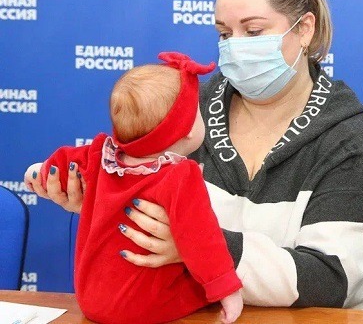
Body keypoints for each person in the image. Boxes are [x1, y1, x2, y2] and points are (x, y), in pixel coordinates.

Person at [30, 0, 363, 310]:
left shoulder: (349, 142)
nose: (235, 45)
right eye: (224, 33)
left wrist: (197, 246)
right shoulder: (186, 116)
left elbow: (330, 280)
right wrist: (104, 201)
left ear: (304, 29)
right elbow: (142, 208)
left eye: (253, 31)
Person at [24, 52, 243, 324]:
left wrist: (40, 171)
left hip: (90, 300)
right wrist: (226, 288)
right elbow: (202, 237)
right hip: (141, 307)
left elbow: (64, 162)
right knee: (197, 291)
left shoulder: (100, 156)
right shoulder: (180, 176)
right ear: (187, 128)